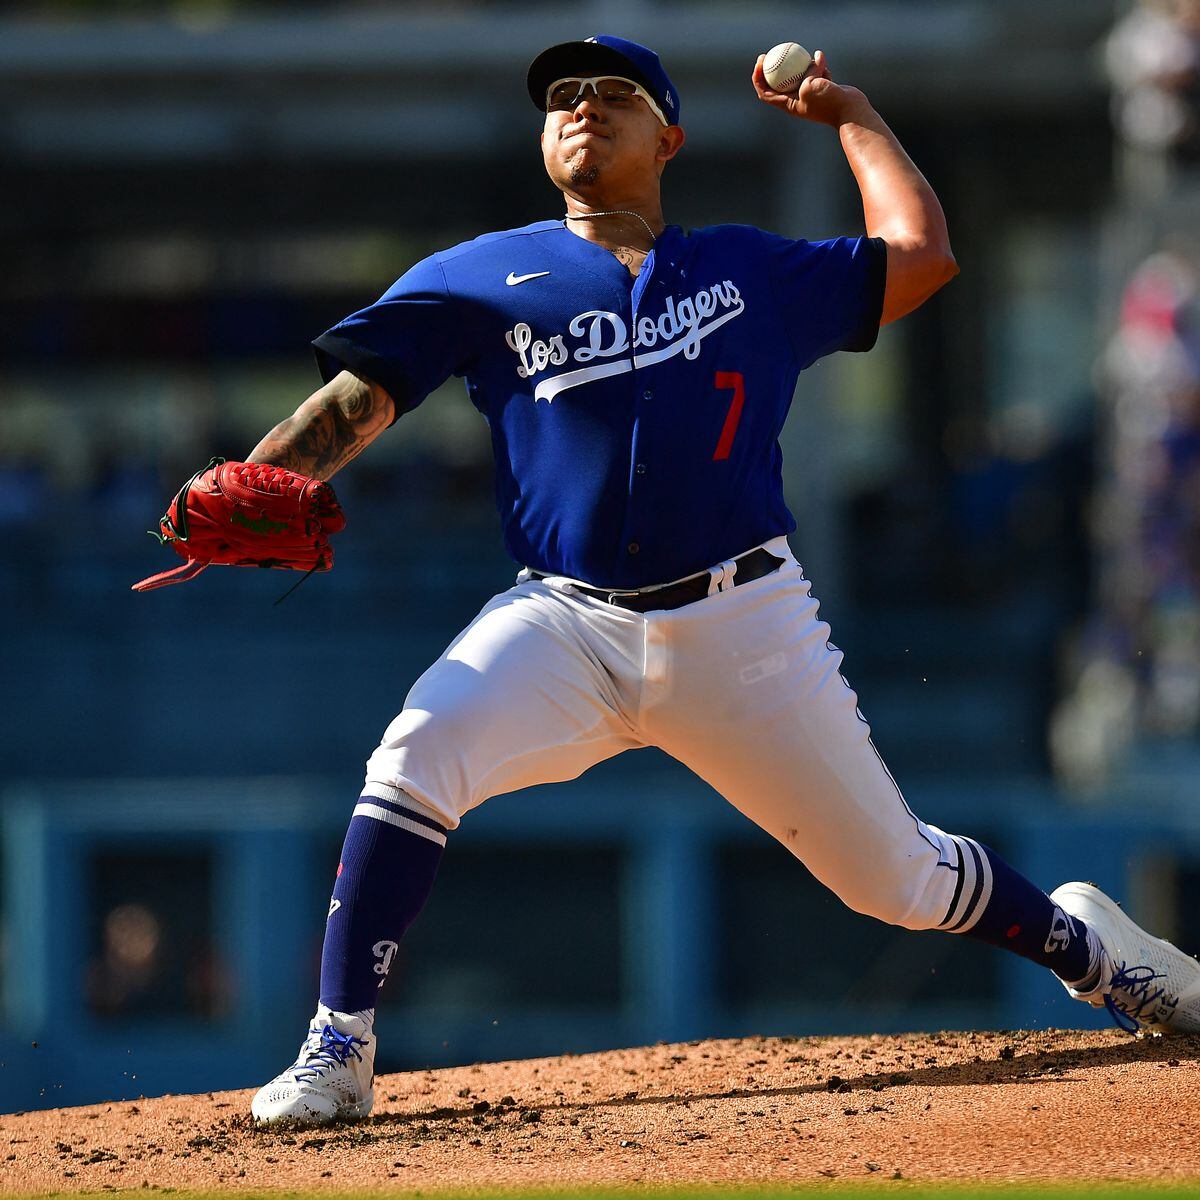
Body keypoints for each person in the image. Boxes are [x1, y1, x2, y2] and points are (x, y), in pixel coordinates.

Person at [246, 36, 1200, 1126]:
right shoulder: (477, 275)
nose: (583, 108)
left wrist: (850, 115)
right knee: (416, 751)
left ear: (671, 136)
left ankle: (1096, 953)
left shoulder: (750, 272)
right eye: (562, 96)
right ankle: (339, 1046)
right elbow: (351, 407)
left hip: (743, 621)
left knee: (896, 881)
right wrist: (253, 478)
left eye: (614, 94)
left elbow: (923, 254)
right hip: (563, 618)